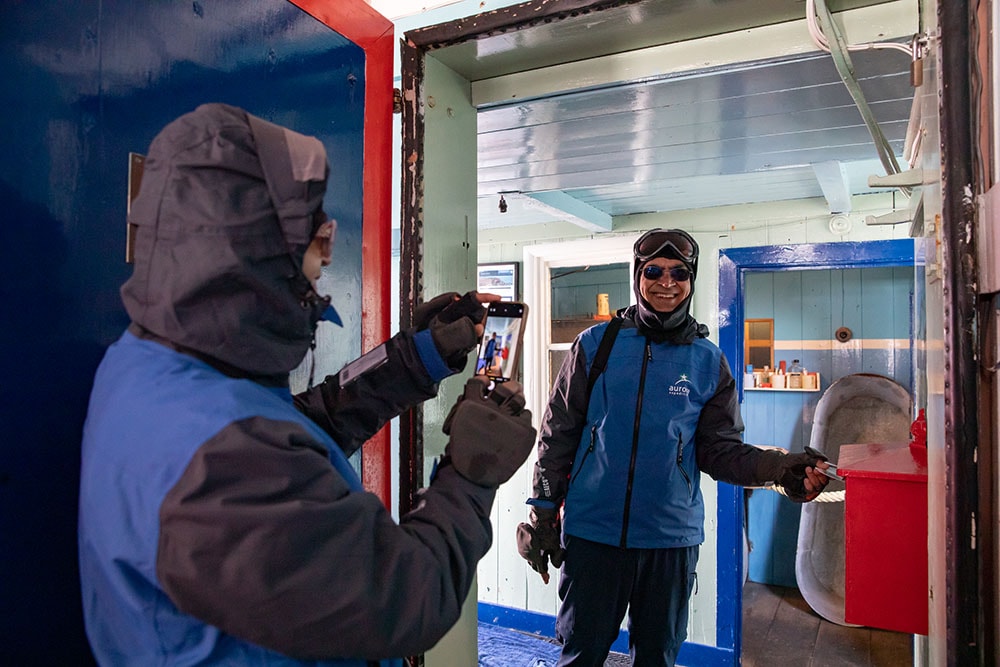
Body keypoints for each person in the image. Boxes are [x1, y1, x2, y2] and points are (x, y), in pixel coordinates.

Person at [78, 103, 536, 667]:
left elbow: (296, 427)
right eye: (311, 230)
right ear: (248, 247)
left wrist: (414, 359)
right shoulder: (215, 461)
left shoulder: (156, 366)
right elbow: (401, 600)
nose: (327, 249)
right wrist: (471, 474)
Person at [516, 228, 829, 667]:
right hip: (593, 535)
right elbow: (558, 433)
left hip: (669, 541)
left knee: (658, 658)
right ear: (637, 276)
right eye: (654, 271)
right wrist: (543, 510)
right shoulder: (595, 346)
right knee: (579, 655)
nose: (667, 282)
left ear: (691, 279)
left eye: (679, 272)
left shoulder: (706, 360)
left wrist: (780, 468)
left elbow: (720, 451)